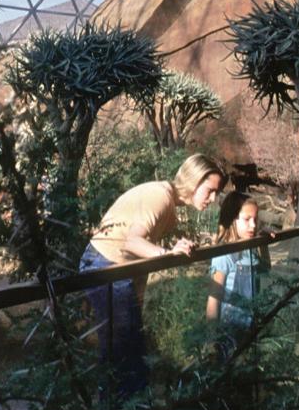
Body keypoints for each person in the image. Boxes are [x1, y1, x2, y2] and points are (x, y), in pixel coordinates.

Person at [80, 154, 226, 395]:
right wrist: (168, 253)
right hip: (104, 265)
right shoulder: (160, 197)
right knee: (129, 358)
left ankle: (114, 409)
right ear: (193, 180)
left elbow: (137, 256)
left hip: (116, 270)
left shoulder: (169, 205)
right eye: (209, 190)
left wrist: (138, 297)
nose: (212, 199)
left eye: (216, 193)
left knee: (123, 353)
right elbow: (133, 243)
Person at [206, 192, 272, 358]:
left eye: (255, 219)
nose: (253, 225)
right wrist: (210, 336)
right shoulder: (224, 255)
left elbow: (266, 269)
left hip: (253, 322)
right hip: (231, 327)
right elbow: (215, 296)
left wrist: (263, 245)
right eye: (247, 219)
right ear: (232, 219)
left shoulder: (251, 250)